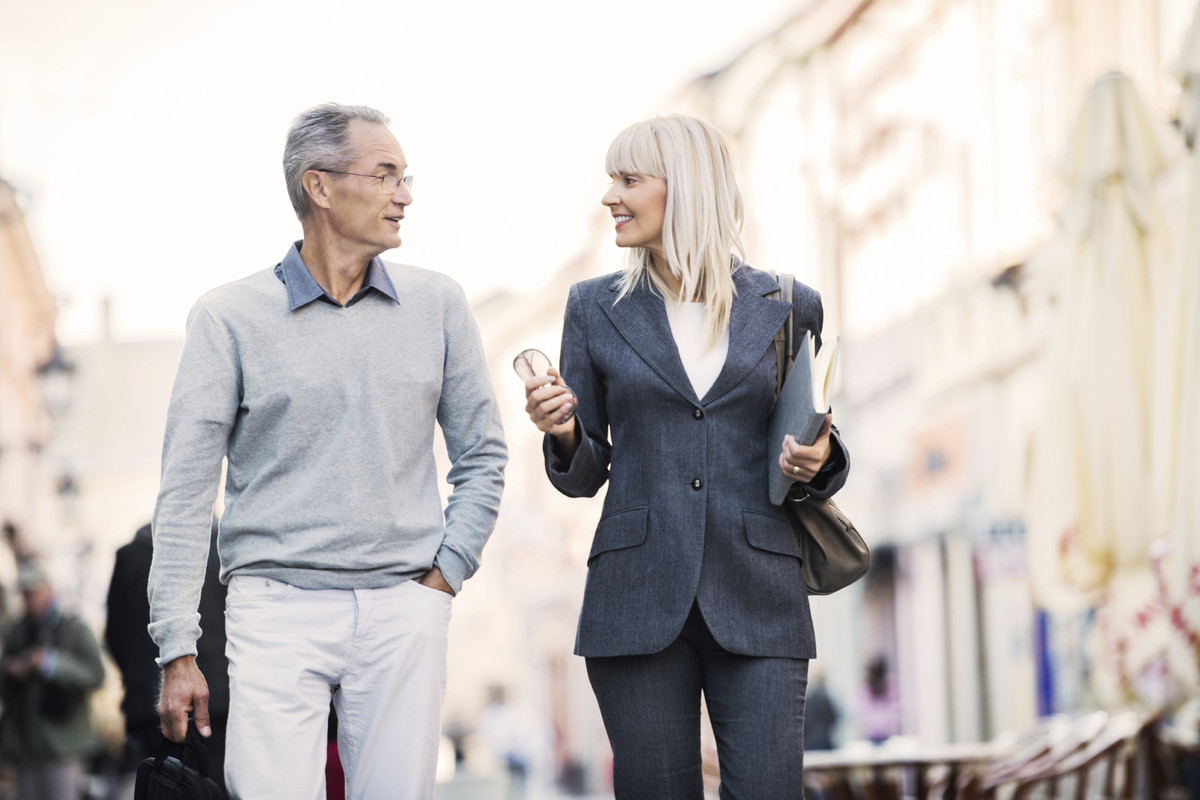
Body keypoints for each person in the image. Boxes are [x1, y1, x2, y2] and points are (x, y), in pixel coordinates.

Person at [148, 102, 507, 800]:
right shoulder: (228, 317)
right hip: (274, 606)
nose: (404, 194)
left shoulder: (439, 306)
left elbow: (484, 455)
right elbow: (186, 490)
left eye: (406, 177)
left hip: (406, 603)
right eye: (385, 175)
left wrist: (444, 576)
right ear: (319, 186)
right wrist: (177, 647)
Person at [521, 115, 850, 799]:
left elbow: (818, 437)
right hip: (634, 597)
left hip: (760, 592)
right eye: (612, 179)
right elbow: (585, 475)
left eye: (629, 180)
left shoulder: (789, 305)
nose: (610, 197)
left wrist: (816, 459)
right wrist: (561, 433)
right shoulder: (593, 308)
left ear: (686, 188)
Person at [104, 520, 229, 793]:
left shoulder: (130, 556)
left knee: (165, 787)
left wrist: (139, 676)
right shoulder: (225, 550)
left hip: (153, 700)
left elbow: (115, 635)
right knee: (220, 787)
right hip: (221, 700)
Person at [0, 560, 105, 800]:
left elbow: (95, 675)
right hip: (25, 745)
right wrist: (13, 669)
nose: (29, 599)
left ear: (48, 589)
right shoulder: (17, 631)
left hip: (63, 745)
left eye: (34, 592)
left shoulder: (74, 627)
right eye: (25, 594)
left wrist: (50, 664)